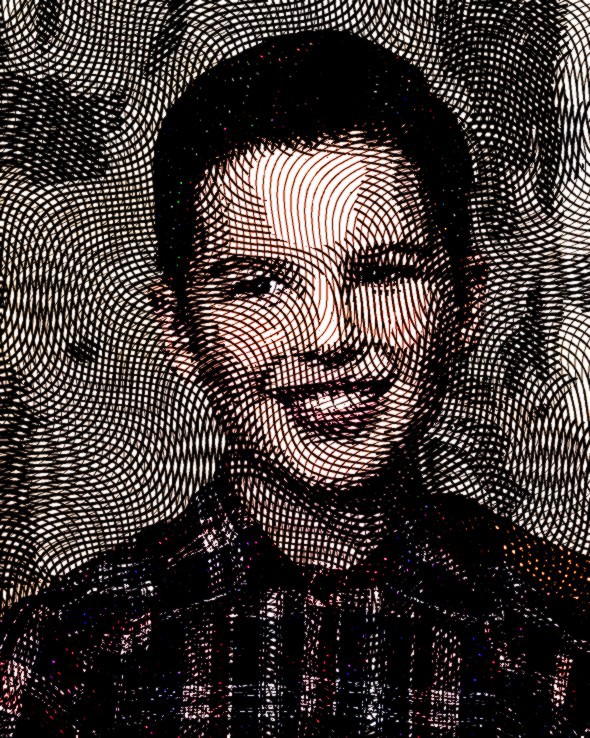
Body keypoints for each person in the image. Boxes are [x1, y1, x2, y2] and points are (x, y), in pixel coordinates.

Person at [1, 30, 589, 737]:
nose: (329, 335)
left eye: (383, 274)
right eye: (258, 286)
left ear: (465, 303)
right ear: (179, 328)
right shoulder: (63, 658)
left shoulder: (561, 645)